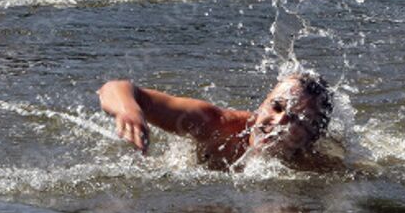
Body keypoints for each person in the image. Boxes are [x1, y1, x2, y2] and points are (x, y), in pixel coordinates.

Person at [97, 72, 335, 171]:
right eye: (276, 107)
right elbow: (114, 87)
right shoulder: (217, 126)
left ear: (312, 138)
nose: (278, 121)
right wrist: (129, 111)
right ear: (262, 104)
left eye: (297, 120)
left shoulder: (314, 167)